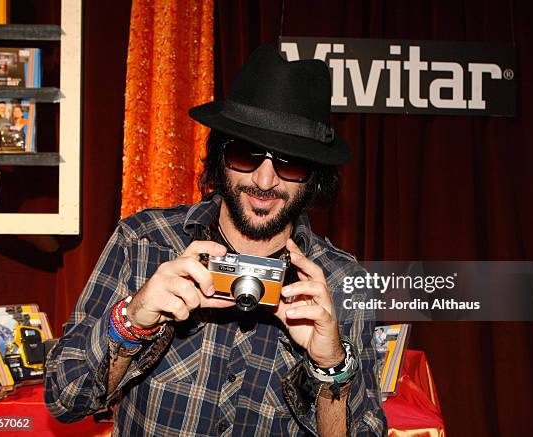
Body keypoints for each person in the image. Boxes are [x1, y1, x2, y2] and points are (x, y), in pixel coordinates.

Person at [45, 44, 386, 436]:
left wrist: (329, 368)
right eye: (245, 154)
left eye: (289, 163)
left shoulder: (340, 282)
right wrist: (133, 319)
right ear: (219, 156)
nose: (264, 180)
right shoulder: (144, 242)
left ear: (315, 179)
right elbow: (65, 399)